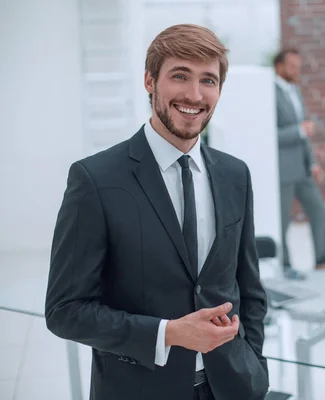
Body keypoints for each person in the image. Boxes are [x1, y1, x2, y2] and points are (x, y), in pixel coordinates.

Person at [45, 24, 269, 400]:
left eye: (208, 80)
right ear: (150, 81)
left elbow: (249, 289)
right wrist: (168, 333)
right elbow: (65, 310)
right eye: (180, 76)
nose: (194, 95)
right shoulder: (94, 180)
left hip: (230, 385)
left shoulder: (235, 174)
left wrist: (254, 364)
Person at [274, 49, 325, 280]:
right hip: (283, 170)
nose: (297, 71)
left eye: (298, 66)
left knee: (318, 210)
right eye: (292, 66)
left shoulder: (295, 91)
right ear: (279, 67)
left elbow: (304, 134)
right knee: (282, 221)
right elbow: (268, 135)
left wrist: (312, 162)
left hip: (303, 169)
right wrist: (298, 130)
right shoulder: (270, 93)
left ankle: (322, 261)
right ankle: (284, 266)